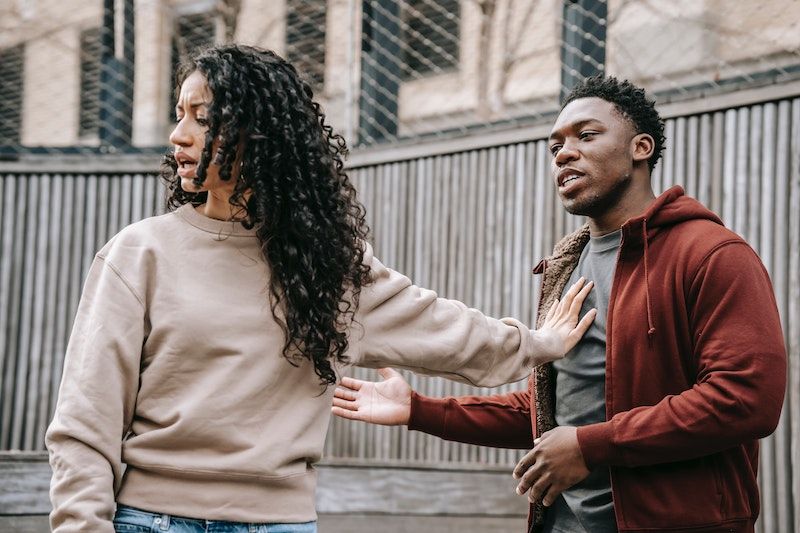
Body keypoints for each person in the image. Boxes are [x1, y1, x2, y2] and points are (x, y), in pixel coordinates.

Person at [45, 45, 597, 533]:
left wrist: (539, 343)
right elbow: (85, 422)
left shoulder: (325, 267)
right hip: (153, 521)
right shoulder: (139, 253)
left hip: (279, 525)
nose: (178, 135)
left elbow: (443, 328)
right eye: (179, 115)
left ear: (260, 133)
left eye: (202, 118)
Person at [332, 76, 787, 533]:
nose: (564, 154)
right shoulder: (568, 266)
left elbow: (746, 399)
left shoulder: (711, 254)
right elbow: (549, 412)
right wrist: (419, 409)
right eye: (555, 147)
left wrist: (591, 445)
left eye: (586, 136)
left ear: (641, 147)